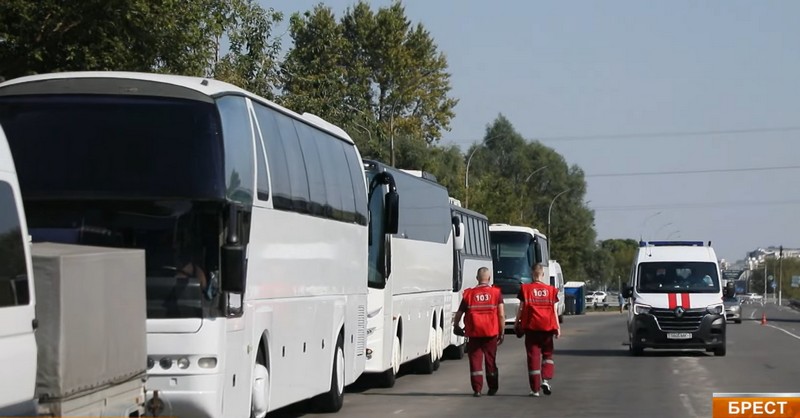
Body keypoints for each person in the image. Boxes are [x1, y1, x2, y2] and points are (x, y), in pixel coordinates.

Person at [453, 267, 505, 397]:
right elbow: (501, 315)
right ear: (489, 278)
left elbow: (459, 313)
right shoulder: (496, 293)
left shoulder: (469, 294)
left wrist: (456, 326)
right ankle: (492, 387)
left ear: (477, 278)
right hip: (491, 333)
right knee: (490, 360)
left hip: (474, 333)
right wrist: (502, 331)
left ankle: (477, 389)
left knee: (475, 361)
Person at [515, 263, 560, 397]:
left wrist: (517, 322)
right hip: (548, 328)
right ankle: (545, 379)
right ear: (543, 275)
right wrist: (558, 327)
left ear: (531, 274)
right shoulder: (551, 290)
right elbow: (554, 310)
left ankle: (535, 389)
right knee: (547, 355)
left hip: (531, 328)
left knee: (533, 356)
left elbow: (521, 308)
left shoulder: (525, 289)